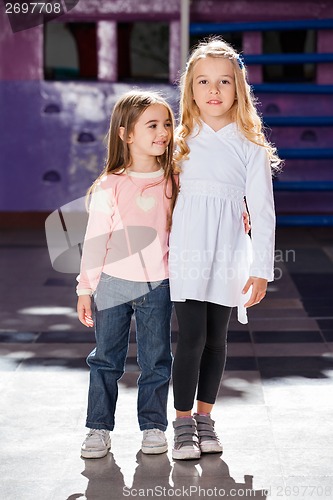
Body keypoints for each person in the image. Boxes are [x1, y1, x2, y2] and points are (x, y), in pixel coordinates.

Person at [169, 38, 282, 460]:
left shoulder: (250, 145)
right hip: (186, 248)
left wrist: (261, 268)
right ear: (190, 89)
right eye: (203, 81)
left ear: (238, 89)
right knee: (192, 336)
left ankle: (205, 419)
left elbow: (263, 211)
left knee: (217, 338)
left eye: (223, 82)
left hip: (229, 249)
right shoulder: (178, 140)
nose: (213, 90)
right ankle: (181, 424)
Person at [76, 90, 179, 459]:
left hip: (158, 285)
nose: (163, 132)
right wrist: (85, 287)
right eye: (152, 124)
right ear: (126, 134)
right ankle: (98, 429)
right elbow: (95, 241)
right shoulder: (110, 185)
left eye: (167, 123)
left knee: (156, 360)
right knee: (105, 359)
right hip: (111, 285)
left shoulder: (175, 179)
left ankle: (153, 426)